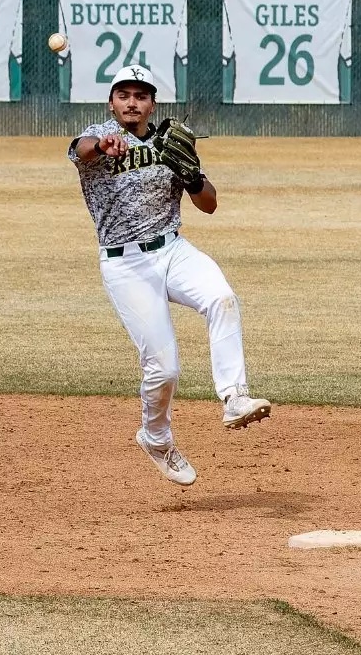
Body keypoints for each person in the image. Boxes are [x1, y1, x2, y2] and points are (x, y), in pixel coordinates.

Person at [67, 65, 272, 487]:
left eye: (140, 96)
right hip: (125, 264)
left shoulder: (170, 143)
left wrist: (192, 175)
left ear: (152, 104)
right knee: (164, 370)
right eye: (123, 95)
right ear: (111, 102)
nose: (131, 102)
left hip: (173, 248)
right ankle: (156, 437)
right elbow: (81, 149)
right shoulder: (98, 136)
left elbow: (209, 204)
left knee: (221, 298)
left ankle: (234, 397)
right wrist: (101, 145)